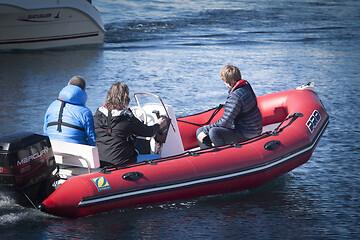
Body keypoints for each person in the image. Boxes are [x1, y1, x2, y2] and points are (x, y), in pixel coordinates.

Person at [94, 82, 167, 168]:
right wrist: (158, 124)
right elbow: (149, 132)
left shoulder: (98, 115)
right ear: (126, 98)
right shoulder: (127, 118)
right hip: (122, 161)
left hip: (102, 160)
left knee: (136, 151)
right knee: (158, 158)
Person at [196, 64, 263, 149]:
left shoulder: (235, 96)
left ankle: (215, 157)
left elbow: (225, 122)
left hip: (247, 132)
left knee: (212, 132)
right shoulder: (246, 87)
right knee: (203, 130)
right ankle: (212, 152)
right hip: (253, 128)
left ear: (226, 82)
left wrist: (205, 130)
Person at [43, 76, 96, 146]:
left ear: (68, 86)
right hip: (76, 151)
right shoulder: (85, 112)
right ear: (83, 91)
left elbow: (45, 131)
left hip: (53, 148)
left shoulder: (52, 105)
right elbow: (92, 139)